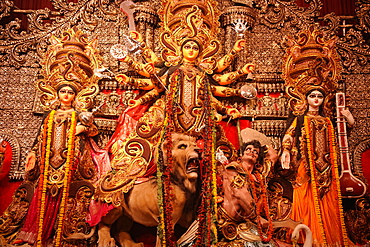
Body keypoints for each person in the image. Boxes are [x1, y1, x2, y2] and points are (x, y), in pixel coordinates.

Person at [12, 84, 99, 246]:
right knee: (42, 194)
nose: (66, 95)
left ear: (75, 96)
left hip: (69, 161)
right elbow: (40, 135)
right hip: (48, 160)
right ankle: (32, 233)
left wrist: (84, 128)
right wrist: (31, 153)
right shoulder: (50, 114)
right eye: (63, 91)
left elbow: (94, 131)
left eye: (70, 92)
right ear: (57, 94)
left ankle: (56, 235)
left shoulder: (79, 114)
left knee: (63, 196)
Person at [280, 88, 353, 246]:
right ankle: (305, 237)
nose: (316, 99)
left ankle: (327, 237)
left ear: (323, 100)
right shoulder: (300, 119)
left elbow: (343, 134)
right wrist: (285, 150)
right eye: (312, 96)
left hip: (327, 167)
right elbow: (289, 134)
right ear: (306, 99)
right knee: (305, 198)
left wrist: (349, 119)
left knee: (327, 199)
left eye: (319, 96)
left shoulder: (328, 121)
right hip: (305, 166)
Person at [217, 140, 278, 247]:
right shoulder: (234, 168)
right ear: (241, 154)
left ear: (258, 159)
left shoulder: (259, 176)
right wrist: (257, 218)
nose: (252, 152)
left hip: (244, 222)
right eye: (248, 149)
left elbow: (273, 156)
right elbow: (240, 194)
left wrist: (264, 145)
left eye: (255, 151)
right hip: (226, 221)